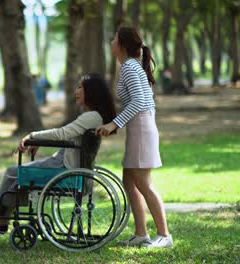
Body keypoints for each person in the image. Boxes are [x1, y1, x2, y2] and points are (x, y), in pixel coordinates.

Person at [0, 73, 116, 235]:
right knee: (16, 175)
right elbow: (65, 137)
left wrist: (33, 136)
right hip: (66, 164)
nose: (75, 91)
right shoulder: (92, 117)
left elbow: (61, 134)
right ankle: (0, 220)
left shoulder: (91, 117)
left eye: (80, 87)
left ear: (92, 92)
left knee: (13, 172)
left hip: (64, 167)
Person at [95, 26, 172, 248]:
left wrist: (114, 123)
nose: (111, 42)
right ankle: (141, 233)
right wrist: (117, 123)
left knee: (144, 184)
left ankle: (164, 235)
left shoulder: (129, 67)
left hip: (142, 129)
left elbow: (139, 102)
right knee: (129, 183)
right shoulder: (130, 66)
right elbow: (139, 102)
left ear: (122, 45)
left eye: (114, 39)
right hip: (139, 128)